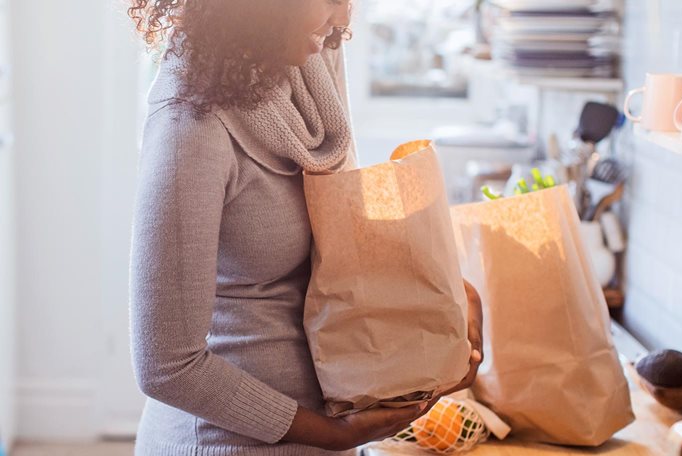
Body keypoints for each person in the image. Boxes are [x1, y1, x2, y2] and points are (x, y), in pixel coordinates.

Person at [127, 1, 484, 454]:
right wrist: (334, 434)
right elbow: (168, 366)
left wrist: (447, 291)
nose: (345, 18)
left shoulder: (306, 63)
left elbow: (334, 240)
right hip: (229, 441)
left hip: (332, 420)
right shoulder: (188, 124)